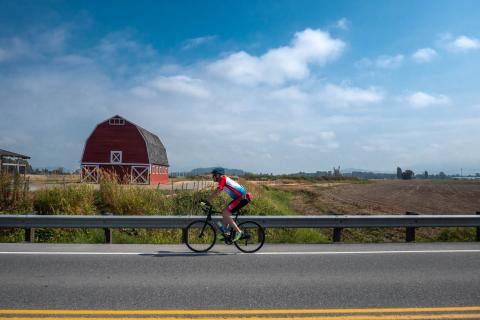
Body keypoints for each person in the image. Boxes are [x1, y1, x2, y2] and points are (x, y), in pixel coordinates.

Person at [203, 167, 252, 242]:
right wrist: (208, 201)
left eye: (214, 175)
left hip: (242, 198)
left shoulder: (223, 179)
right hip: (239, 198)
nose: (213, 176)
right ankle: (226, 233)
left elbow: (218, 191)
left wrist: (207, 201)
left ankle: (239, 232)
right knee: (224, 212)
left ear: (218, 175)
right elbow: (217, 191)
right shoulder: (222, 180)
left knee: (225, 213)